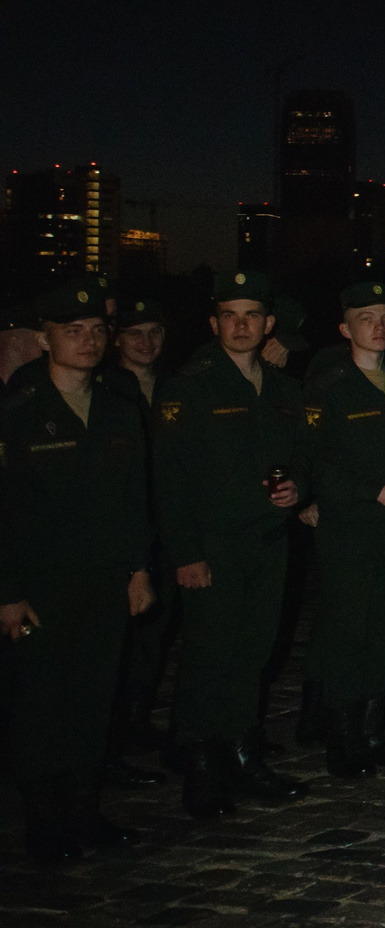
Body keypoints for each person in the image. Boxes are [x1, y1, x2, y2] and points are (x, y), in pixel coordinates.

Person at [2, 279, 155, 863]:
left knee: (95, 700)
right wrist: (6, 593)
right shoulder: (18, 411)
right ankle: (45, 822)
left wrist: (139, 570)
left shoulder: (118, 407)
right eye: (73, 331)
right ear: (45, 339)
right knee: (43, 706)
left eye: (96, 330)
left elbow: (133, 498)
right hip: (41, 585)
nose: (89, 340)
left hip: (105, 579)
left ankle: (84, 812)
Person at [157, 270, 308, 817]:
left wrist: (299, 487)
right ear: (214, 322)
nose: (241, 326)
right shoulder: (190, 386)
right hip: (215, 545)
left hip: (268, 543)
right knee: (208, 657)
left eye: (252, 316)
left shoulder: (286, 390)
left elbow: (302, 459)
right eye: (230, 315)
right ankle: (202, 767)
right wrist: (187, 554)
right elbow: (170, 481)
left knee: (254, 653)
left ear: (269, 324)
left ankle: (243, 756)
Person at [301, 280, 385, 778]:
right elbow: (317, 463)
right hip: (350, 528)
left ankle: (374, 732)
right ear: (344, 328)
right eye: (366, 319)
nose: (379, 327)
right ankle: (343, 738)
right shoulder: (329, 385)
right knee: (348, 632)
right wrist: (376, 493)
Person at [101, 298, 173, 790]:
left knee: (156, 631)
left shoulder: (176, 385)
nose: (145, 343)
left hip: (166, 526)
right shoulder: (107, 387)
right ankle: (107, 738)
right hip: (120, 528)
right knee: (115, 639)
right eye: (134, 334)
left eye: (153, 332)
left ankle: (137, 719)